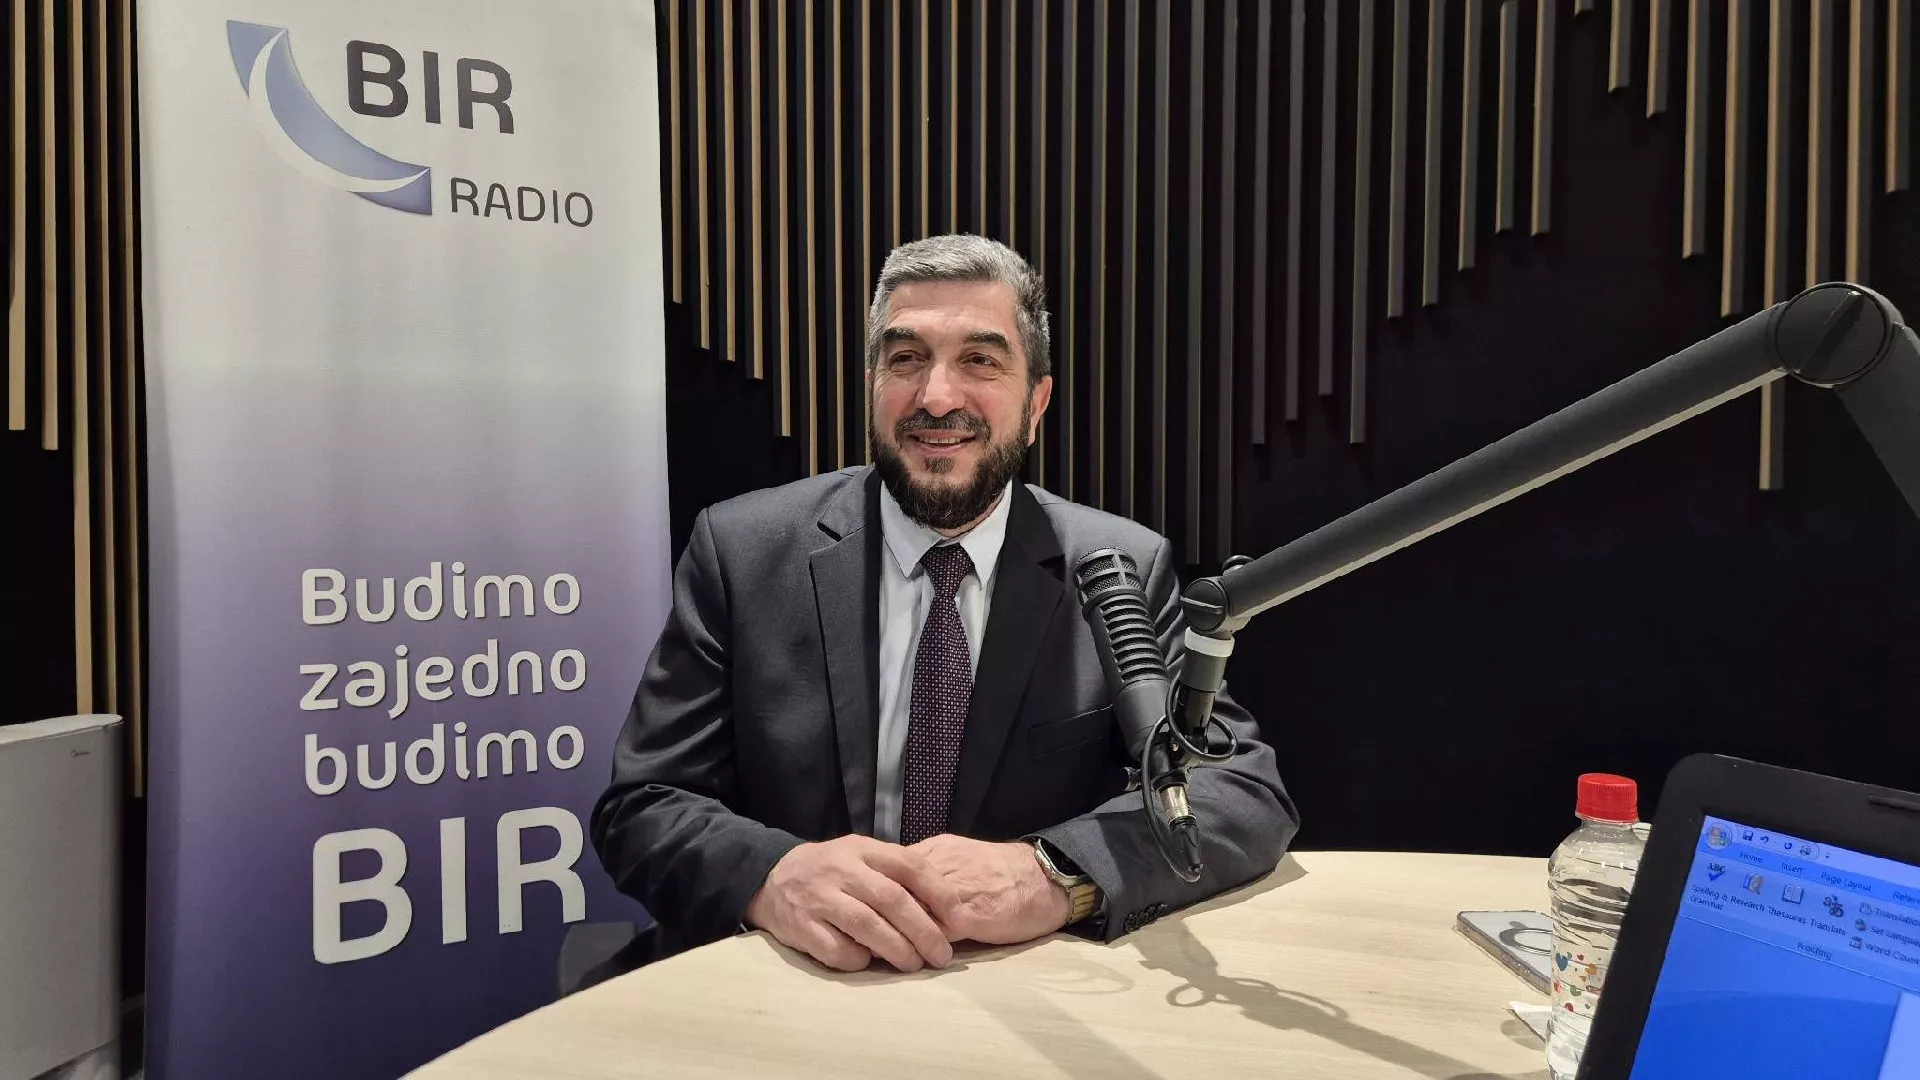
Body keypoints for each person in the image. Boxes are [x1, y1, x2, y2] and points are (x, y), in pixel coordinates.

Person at [588, 234, 1298, 981]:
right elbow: (643, 804)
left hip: (1019, 991)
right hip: (788, 984)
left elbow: (1237, 791)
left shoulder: (1119, 566)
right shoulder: (741, 551)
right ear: (873, 384)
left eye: (981, 361)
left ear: (1036, 404)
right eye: (905, 359)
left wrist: (1054, 873)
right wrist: (771, 875)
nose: (936, 397)